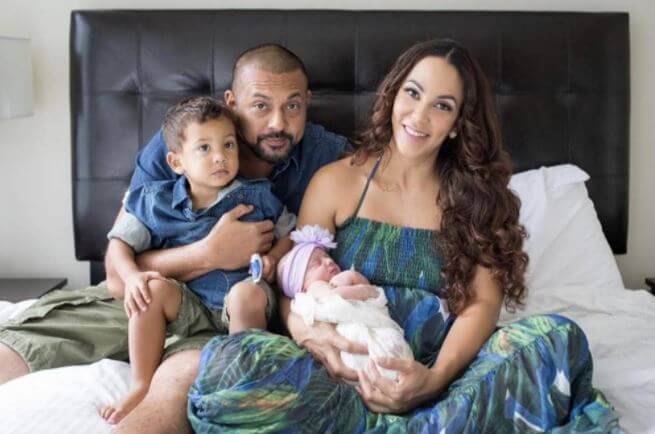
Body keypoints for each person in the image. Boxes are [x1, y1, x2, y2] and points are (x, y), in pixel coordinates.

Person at [187, 39, 620, 433]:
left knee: (557, 339)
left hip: (445, 382)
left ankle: (420, 423)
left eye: (442, 105)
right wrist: (316, 341)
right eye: (413, 94)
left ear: (457, 123)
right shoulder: (337, 181)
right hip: (342, 380)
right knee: (230, 364)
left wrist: (431, 381)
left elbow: (483, 304)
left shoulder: (478, 200)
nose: (419, 116)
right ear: (394, 94)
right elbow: (294, 286)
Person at [0, 44, 353, 434]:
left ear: (307, 101)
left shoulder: (328, 156)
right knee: (24, 345)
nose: (277, 124)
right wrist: (208, 253)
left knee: (176, 387)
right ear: (232, 103)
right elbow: (120, 273)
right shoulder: (183, 138)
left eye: (292, 106)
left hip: (222, 318)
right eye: (260, 106)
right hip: (143, 298)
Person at [99, 96, 295, 424]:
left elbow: (292, 230)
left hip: (244, 298)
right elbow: (120, 243)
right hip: (190, 304)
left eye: (229, 145)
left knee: (245, 295)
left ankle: (240, 384)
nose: (220, 157)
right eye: (204, 148)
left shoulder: (257, 195)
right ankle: (141, 383)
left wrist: (274, 258)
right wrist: (133, 275)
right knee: (150, 289)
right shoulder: (155, 201)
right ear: (177, 162)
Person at [277, 224, 414, 381]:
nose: (328, 261)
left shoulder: (330, 282)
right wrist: (358, 287)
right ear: (301, 285)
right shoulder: (312, 290)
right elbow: (334, 300)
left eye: (327, 257)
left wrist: (355, 280)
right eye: (316, 263)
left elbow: (366, 293)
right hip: (352, 342)